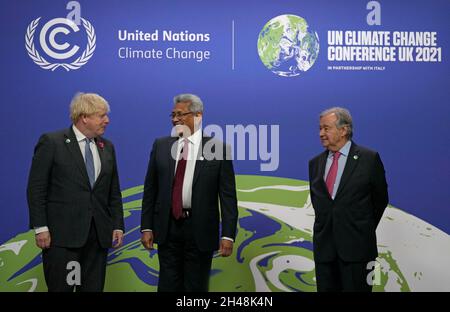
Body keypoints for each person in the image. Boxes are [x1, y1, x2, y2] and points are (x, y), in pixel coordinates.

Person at [27, 92, 124, 292]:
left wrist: (117, 225)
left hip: (97, 237)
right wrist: (40, 227)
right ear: (84, 117)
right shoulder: (52, 142)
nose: (107, 120)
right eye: (102, 115)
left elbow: (113, 191)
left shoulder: (107, 147)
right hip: (62, 237)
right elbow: (36, 188)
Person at [140, 93, 238, 292]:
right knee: (168, 286)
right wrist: (146, 227)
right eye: (172, 114)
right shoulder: (161, 146)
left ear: (198, 116)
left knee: (196, 288)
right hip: (168, 228)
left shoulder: (218, 148)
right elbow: (151, 189)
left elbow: (228, 197)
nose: (175, 119)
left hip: (200, 230)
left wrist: (228, 235)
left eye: (180, 114)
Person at [308, 107, 388, 292]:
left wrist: (360, 227)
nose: (321, 134)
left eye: (326, 128)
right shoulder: (315, 163)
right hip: (325, 252)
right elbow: (320, 204)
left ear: (343, 130)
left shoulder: (369, 159)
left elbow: (380, 200)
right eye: (320, 128)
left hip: (358, 251)